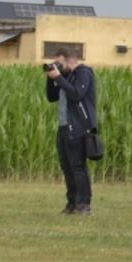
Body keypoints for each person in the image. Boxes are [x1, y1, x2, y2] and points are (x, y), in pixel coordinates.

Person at [44, 49, 97, 215]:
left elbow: (76, 94)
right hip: (64, 127)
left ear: (70, 61)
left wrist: (58, 77)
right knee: (67, 166)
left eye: (60, 63)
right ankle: (72, 202)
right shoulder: (66, 77)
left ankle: (84, 203)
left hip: (78, 127)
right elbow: (52, 97)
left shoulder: (83, 73)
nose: (58, 66)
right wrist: (50, 78)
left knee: (78, 166)